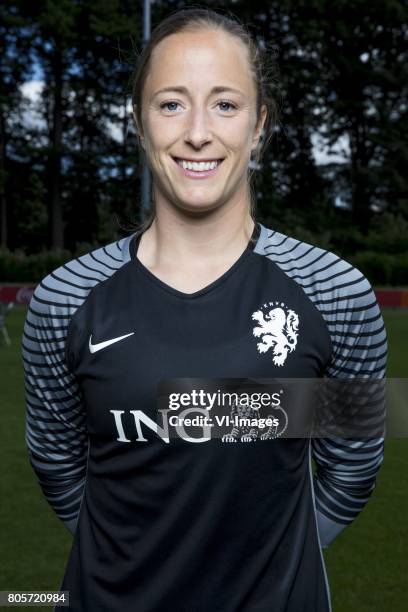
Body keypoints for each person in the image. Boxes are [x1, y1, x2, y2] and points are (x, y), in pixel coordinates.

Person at [22, 8, 387, 612]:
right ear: (140, 124)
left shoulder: (337, 292)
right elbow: (59, 466)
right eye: (170, 104)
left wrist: (267, 562)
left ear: (259, 125)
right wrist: (139, 557)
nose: (197, 132)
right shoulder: (65, 299)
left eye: (225, 104)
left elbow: (350, 468)